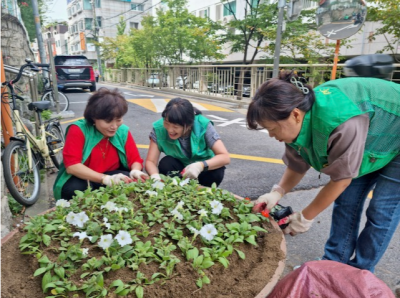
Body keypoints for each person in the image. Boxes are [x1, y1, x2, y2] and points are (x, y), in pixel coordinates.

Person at [247, 71, 400, 272]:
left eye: (273, 129)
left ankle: (359, 272)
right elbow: (296, 164)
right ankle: (333, 263)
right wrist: (277, 192)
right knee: (346, 202)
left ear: (295, 114)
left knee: (381, 210)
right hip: (369, 137)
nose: (271, 135)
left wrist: (305, 217)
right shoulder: (298, 121)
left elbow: (341, 180)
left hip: (393, 130)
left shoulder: (340, 121)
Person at [53, 88, 148, 200]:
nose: (114, 126)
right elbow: (72, 167)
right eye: (108, 121)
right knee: (75, 188)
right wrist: (105, 179)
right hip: (84, 178)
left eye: (118, 120)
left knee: (132, 181)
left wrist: (135, 171)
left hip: (112, 174)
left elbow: (135, 160)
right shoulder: (78, 130)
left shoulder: (122, 131)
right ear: (94, 118)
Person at [145, 97, 230, 187]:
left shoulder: (203, 124)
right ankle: (175, 189)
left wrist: (200, 166)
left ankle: (204, 192)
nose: (170, 130)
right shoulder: (159, 128)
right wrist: (155, 177)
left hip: (201, 171)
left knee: (217, 170)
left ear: (189, 124)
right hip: (180, 171)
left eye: (176, 126)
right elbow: (151, 161)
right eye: (166, 123)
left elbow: (224, 157)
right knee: (166, 164)